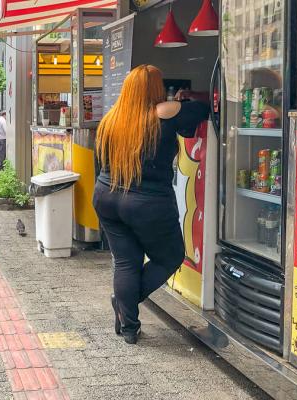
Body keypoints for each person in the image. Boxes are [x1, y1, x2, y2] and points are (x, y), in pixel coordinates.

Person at [93, 65, 209, 344]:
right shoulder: (164, 112)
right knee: (169, 257)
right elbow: (202, 109)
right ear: (155, 88)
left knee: (126, 262)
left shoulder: (110, 119)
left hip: (106, 196)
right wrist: (181, 99)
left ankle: (130, 327)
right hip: (147, 202)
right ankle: (124, 304)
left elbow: (99, 163)